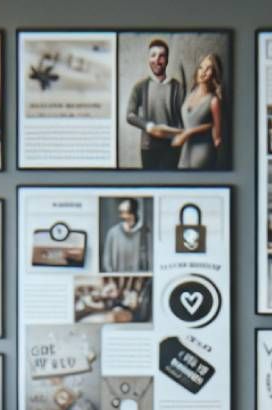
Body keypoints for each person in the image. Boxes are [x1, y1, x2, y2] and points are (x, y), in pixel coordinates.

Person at [125, 38, 184, 169]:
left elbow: (184, 116)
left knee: (169, 186)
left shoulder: (177, 86)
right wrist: (148, 126)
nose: (157, 60)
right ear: (148, 59)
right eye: (153, 55)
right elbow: (129, 115)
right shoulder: (140, 86)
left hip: (172, 146)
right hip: (148, 147)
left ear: (167, 60)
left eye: (161, 56)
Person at [173, 52, 223, 170]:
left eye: (208, 68)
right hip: (185, 150)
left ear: (214, 73)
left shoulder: (213, 100)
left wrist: (189, 132)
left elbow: (217, 138)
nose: (203, 72)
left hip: (203, 152)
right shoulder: (190, 94)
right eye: (201, 67)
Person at [102, 198, 149, 272]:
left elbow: (145, 261)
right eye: (121, 212)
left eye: (124, 212)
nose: (121, 216)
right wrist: (113, 275)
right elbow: (106, 260)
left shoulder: (143, 233)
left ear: (133, 213)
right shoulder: (112, 232)